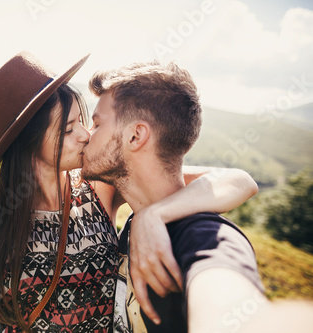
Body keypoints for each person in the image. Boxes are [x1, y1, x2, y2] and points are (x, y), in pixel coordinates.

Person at [0, 52, 257, 333]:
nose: (86, 135)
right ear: (30, 142)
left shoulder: (101, 189)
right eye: (70, 128)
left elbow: (236, 180)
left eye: (86, 122)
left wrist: (153, 215)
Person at [80, 60, 313, 332]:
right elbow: (239, 180)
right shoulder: (137, 217)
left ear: (135, 136)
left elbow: (230, 308)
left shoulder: (202, 237)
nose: (86, 135)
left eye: (96, 125)